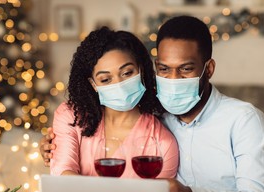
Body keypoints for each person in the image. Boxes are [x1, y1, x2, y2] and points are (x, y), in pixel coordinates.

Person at [41, 16, 264, 192]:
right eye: (164, 69)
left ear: (209, 69)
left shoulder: (244, 121)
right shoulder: (158, 113)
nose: (173, 80)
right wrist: (53, 148)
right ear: (154, 68)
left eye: (186, 69)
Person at [49, 26, 178, 178]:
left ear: (141, 70)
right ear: (93, 84)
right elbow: (63, 176)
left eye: (127, 73)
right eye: (105, 79)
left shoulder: (163, 143)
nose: (119, 85)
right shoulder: (70, 117)